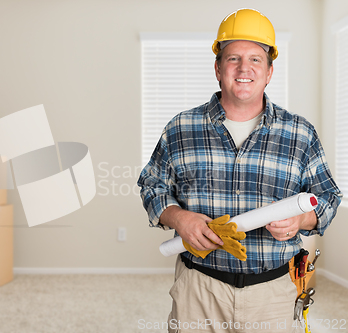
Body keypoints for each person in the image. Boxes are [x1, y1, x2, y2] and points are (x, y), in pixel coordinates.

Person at [137, 8, 342, 333]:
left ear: (270, 71)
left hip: (273, 292)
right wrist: (179, 218)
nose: (244, 68)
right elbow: (152, 186)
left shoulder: (300, 133)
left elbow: (328, 197)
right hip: (198, 289)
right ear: (218, 68)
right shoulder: (181, 128)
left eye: (255, 59)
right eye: (233, 58)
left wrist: (301, 220)